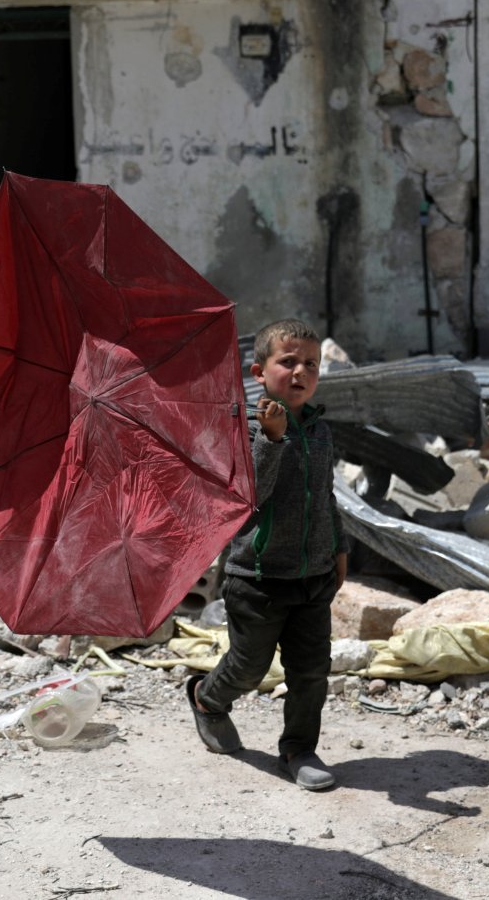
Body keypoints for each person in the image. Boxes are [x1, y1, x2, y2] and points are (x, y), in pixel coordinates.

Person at [187, 318, 348, 791]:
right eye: (289, 361)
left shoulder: (319, 430)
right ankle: (207, 699)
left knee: (311, 671)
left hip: (313, 576)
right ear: (259, 371)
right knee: (249, 665)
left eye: (311, 364)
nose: (301, 371)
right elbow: (250, 497)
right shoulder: (243, 427)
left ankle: (299, 749)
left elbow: (327, 495)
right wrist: (271, 438)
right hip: (255, 577)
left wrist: (339, 547)